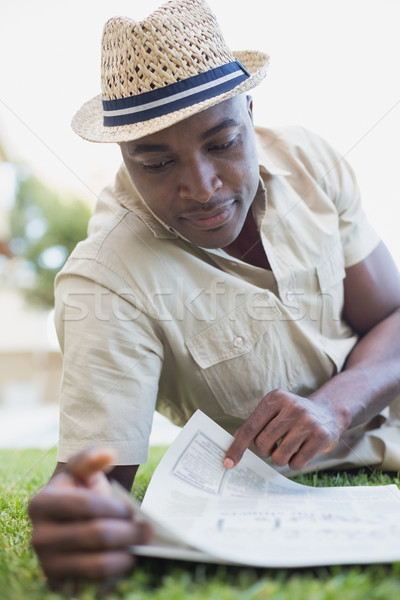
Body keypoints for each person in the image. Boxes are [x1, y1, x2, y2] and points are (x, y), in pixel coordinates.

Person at [29, 0, 400, 587]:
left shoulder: (310, 161)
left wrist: (336, 403)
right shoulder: (106, 279)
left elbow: (394, 316)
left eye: (223, 143)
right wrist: (72, 517)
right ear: (123, 158)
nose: (201, 188)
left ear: (249, 113)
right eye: (155, 162)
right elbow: (92, 480)